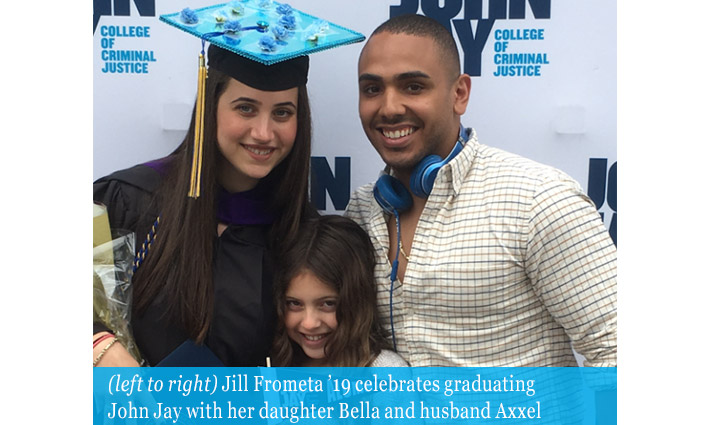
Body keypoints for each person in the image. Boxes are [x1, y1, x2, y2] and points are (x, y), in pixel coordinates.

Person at [92, 4, 364, 367]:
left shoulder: (300, 236)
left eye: (282, 112)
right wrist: (100, 345)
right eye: (246, 108)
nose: (264, 133)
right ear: (210, 104)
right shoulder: (130, 200)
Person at [345, 14, 617, 367]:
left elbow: (616, 348)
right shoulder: (362, 210)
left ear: (459, 94)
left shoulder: (538, 200)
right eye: (372, 89)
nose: (390, 107)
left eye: (413, 87)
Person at [270, 215, 408, 367]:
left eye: (328, 304)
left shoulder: (385, 371)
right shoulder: (274, 365)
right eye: (294, 303)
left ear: (357, 300)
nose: (310, 323)